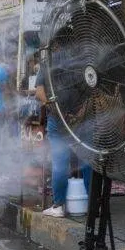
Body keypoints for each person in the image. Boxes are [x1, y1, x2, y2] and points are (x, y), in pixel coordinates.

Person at [35, 65, 91, 217]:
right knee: (86, 161)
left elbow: (39, 92)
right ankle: (93, 205)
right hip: (82, 119)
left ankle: (59, 205)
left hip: (58, 120)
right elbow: (92, 91)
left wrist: (53, 108)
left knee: (60, 163)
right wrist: (81, 114)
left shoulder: (49, 61)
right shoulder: (82, 59)